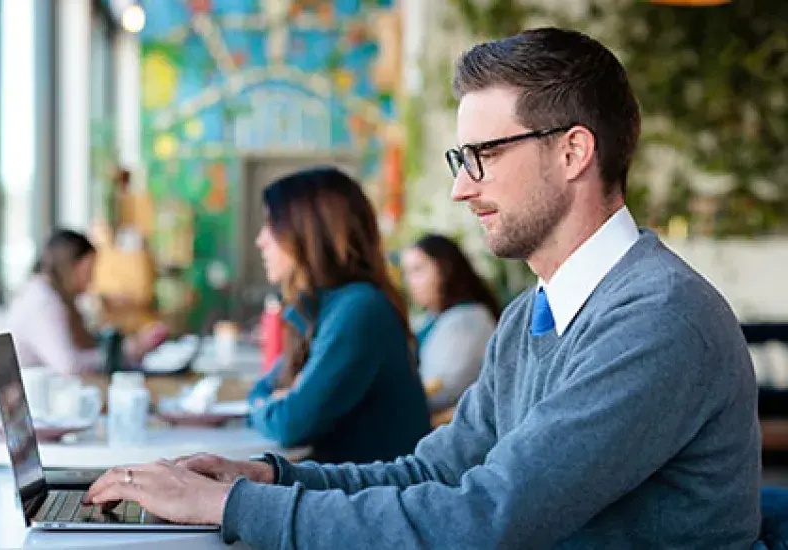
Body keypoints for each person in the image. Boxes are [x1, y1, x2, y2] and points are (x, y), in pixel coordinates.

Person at [80, 27, 761, 549]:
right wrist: (266, 479)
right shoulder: (533, 314)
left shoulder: (659, 320)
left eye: (484, 156)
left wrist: (228, 510)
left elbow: (481, 519)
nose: (463, 186)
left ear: (573, 151)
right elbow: (430, 475)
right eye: (460, 160)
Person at [239, 167, 431, 463]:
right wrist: (271, 403)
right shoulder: (318, 310)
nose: (260, 240)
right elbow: (264, 389)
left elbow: (290, 423)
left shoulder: (360, 309)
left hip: (373, 500)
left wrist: (268, 406)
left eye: (271, 225)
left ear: (310, 231)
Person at [5, 229, 166, 376]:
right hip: (31, 402)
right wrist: (127, 351)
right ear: (71, 266)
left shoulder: (48, 295)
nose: (91, 280)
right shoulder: (42, 301)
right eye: (88, 271)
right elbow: (69, 366)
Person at [401, 234, 500, 412]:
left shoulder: (467, 320)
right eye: (406, 273)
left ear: (444, 269)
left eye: (417, 270)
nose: (410, 282)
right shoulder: (432, 318)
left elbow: (444, 389)